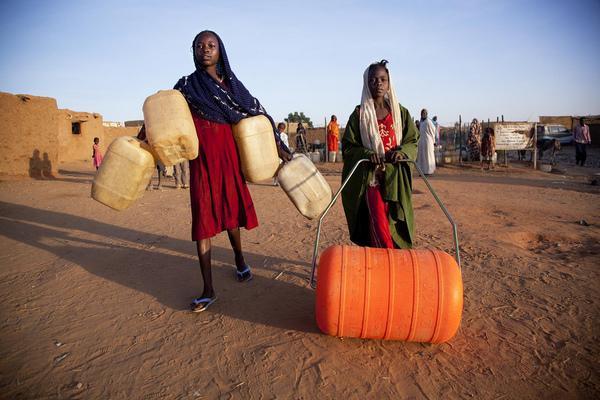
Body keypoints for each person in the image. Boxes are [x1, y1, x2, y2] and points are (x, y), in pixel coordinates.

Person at [140, 30, 292, 312]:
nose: (205, 49)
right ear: (193, 51)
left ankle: (239, 259)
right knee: (203, 222)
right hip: (202, 162)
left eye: (211, 45)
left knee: (231, 216)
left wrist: (279, 146)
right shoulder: (186, 86)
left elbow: (257, 114)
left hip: (228, 158)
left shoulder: (233, 86)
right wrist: (142, 139)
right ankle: (208, 289)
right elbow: (162, 114)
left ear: (220, 49)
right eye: (200, 46)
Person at [341, 60, 419, 249]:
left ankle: (394, 264)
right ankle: (387, 265)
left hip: (396, 178)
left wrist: (401, 153)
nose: (379, 84)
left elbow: (412, 141)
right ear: (366, 83)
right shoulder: (359, 115)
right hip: (371, 179)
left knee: (396, 222)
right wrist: (368, 154)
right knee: (379, 223)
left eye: (383, 79)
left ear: (389, 82)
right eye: (373, 80)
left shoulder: (400, 113)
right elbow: (349, 147)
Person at [416, 109, 436, 175]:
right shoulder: (421, 122)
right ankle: (422, 171)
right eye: (422, 113)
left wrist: (433, 140)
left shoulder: (428, 122)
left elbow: (433, 131)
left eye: (424, 113)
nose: (423, 114)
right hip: (421, 141)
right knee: (421, 156)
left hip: (428, 141)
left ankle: (429, 171)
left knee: (428, 156)